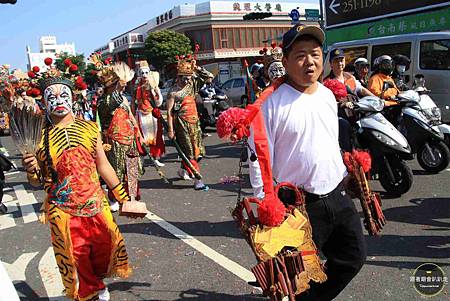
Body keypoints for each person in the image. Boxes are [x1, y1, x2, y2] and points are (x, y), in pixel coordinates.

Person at [250, 24, 366, 300]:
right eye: (300, 55)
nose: (309, 62)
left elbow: (329, 141)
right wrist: (266, 204)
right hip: (298, 206)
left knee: (353, 257)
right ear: (286, 60)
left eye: (315, 54)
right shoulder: (269, 104)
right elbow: (257, 159)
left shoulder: (327, 95)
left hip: (336, 195)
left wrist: (347, 171)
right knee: (297, 277)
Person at [21, 60, 135, 301]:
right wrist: (31, 170)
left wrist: (123, 198)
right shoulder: (39, 138)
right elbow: (38, 181)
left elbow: (103, 165)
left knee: (105, 248)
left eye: (64, 95)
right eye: (51, 96)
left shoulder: (90, 128)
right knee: (77, 256)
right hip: (63, 211)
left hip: (96, 204)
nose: (58, 100)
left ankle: (96, 283)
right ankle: (91, 291)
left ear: (73, 98)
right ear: (43, 102)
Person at [95, 57, 144, 210]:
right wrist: (117, 89)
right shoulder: (103, 101)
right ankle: (114, 198)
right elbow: (110, 105)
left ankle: (132, 196)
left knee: (132, 169)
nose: (122, 87)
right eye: (118, 85)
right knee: (116, 170)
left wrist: (139, 134)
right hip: (114, 140)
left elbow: (130, 115)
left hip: (129, 138)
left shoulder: (123, 99)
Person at [166, 55, 211, 190]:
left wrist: (195, 67)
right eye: (184, 78)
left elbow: (208, 77)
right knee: (190, 153)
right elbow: (169, 112)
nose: (187, 80)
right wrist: (170, 130)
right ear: (178, 77)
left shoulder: (192, 85)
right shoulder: (173, 92)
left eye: (189, 77)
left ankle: (182, 170)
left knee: (199, 152)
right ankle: (198, 180)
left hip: (195, 124)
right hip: (181, 125)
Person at [135, 60, 165, 166]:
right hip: (141, 113)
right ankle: (141, 159)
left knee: (155, 136)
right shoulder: (137, 86)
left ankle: (155, 157)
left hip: (152, 114)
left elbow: (158, 102)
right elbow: (135, 101)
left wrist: (156, 92)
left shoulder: (153, 85)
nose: (144, 75)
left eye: (146, 72)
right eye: (142, 73)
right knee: (141, 136)